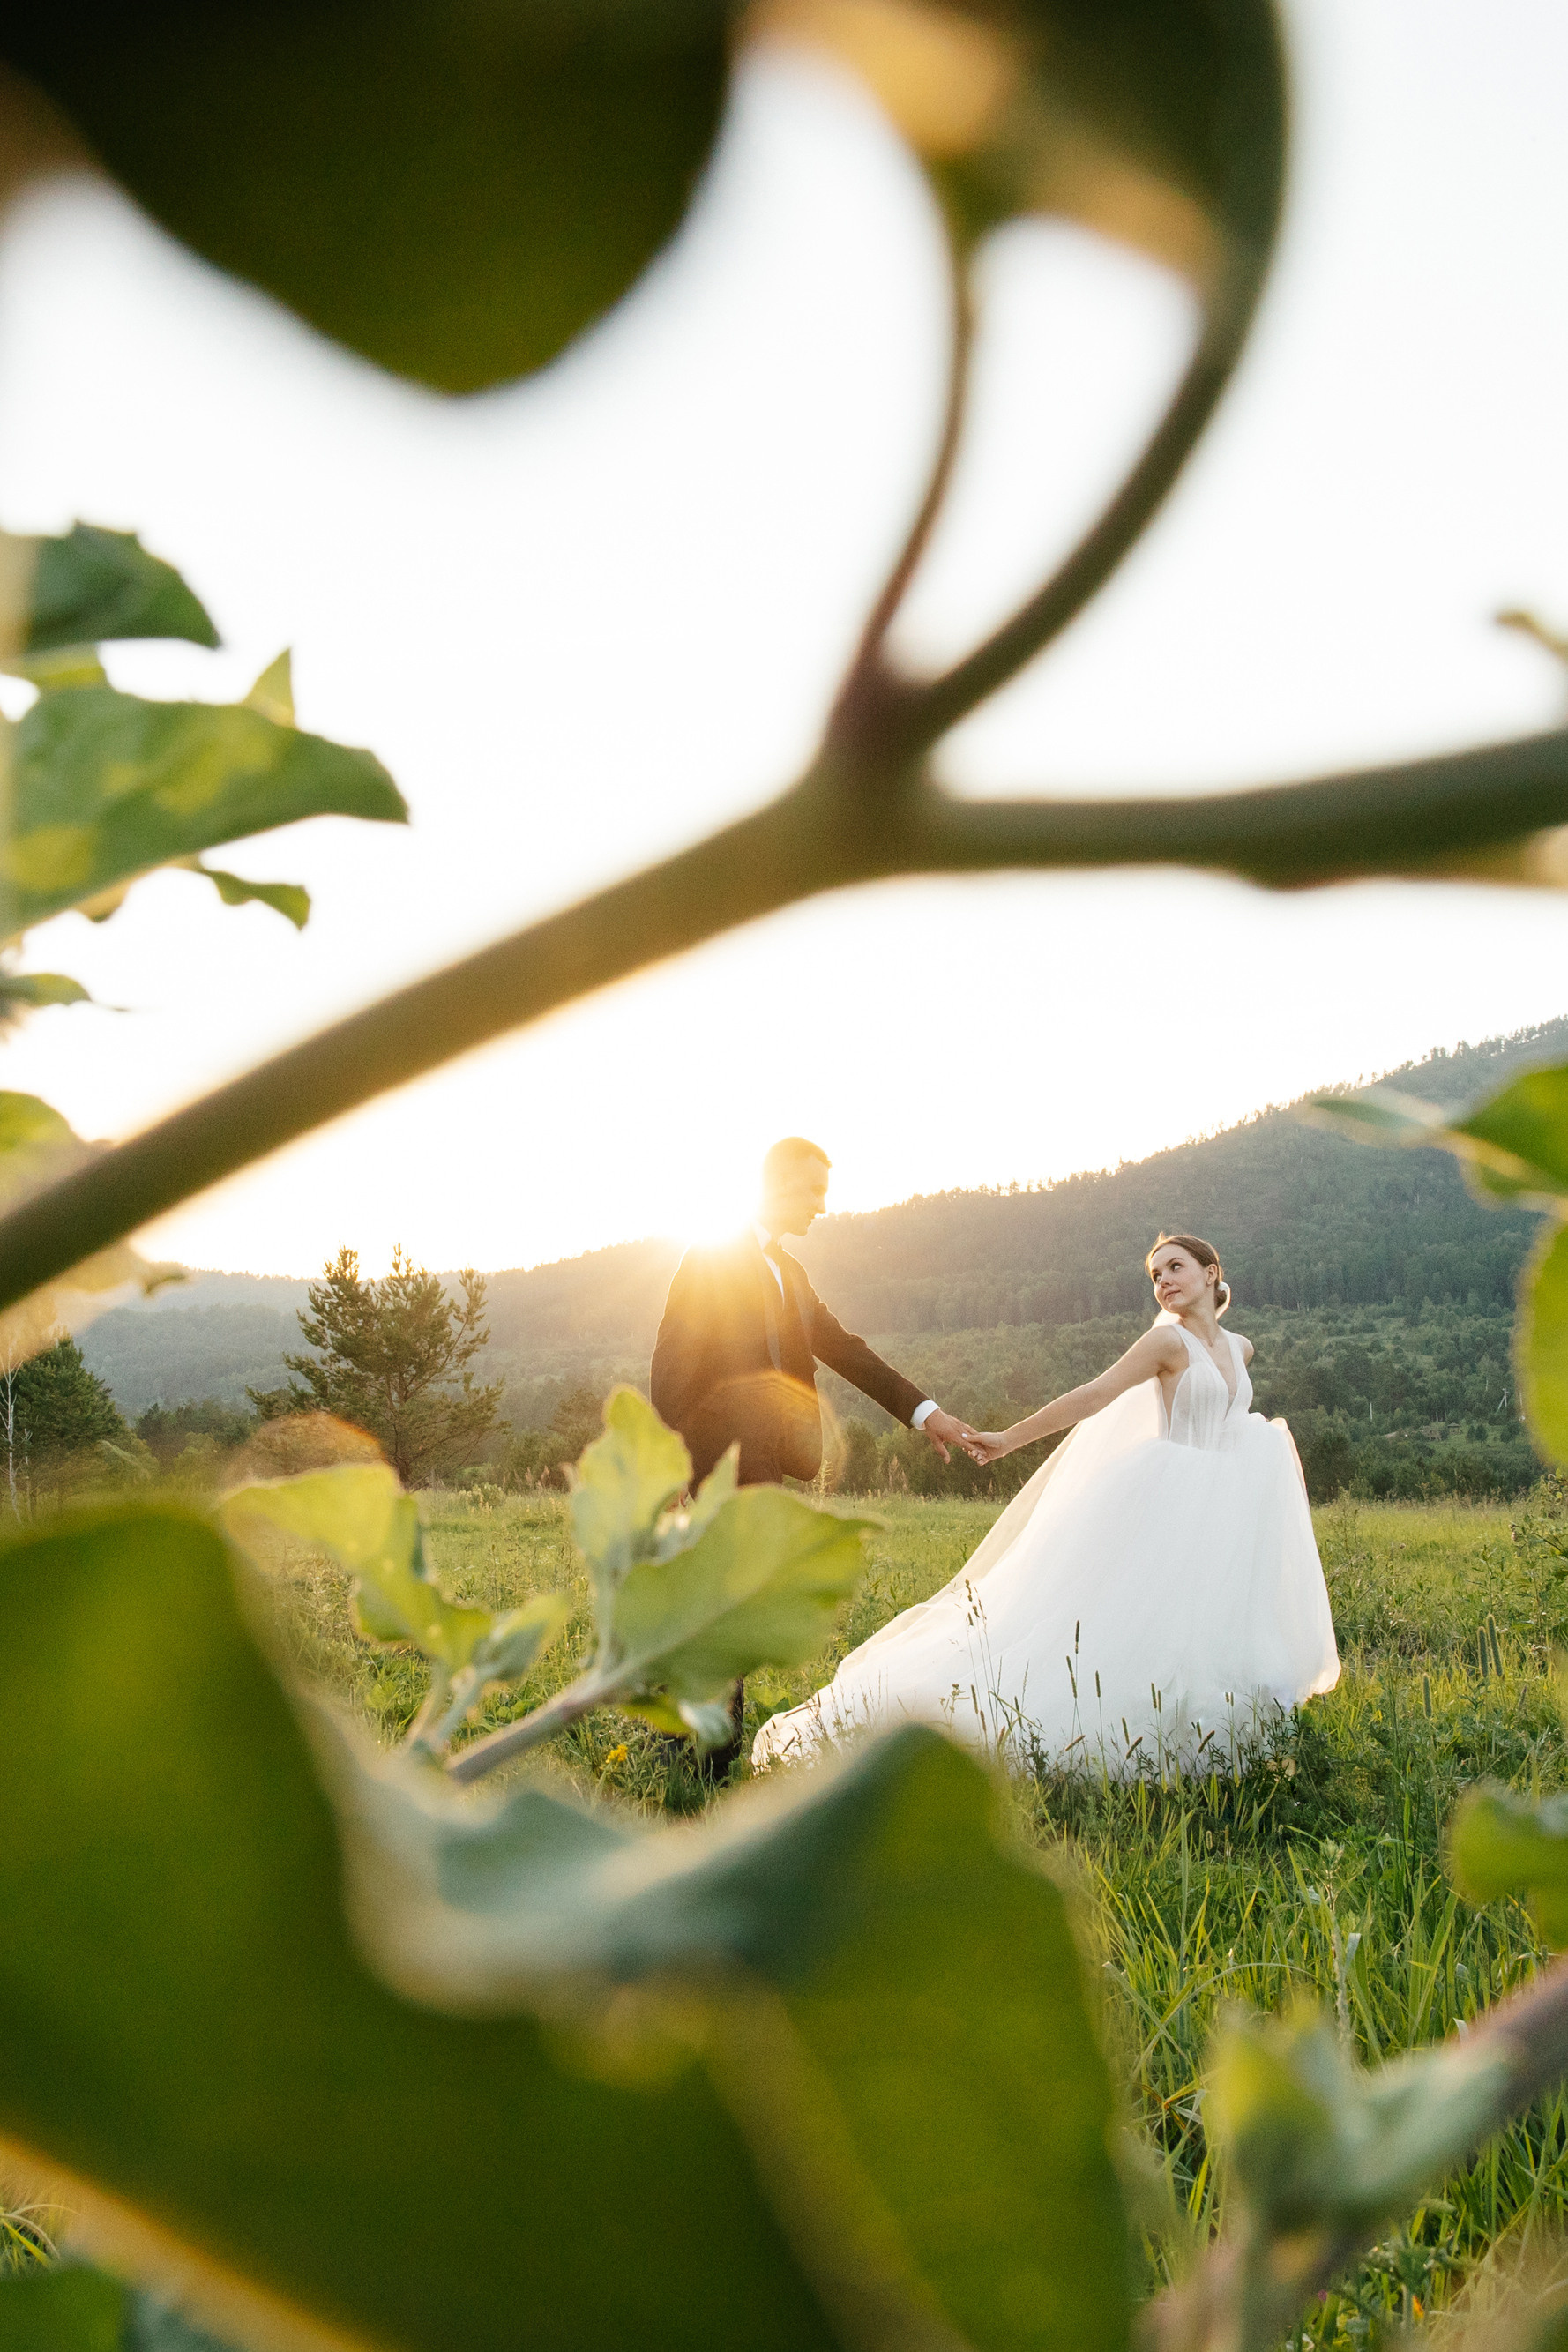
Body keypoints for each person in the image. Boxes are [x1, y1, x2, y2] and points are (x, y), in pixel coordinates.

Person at [751, 1233, 1340, 1776]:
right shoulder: (1166, 1342)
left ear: (1212, 1272)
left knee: (1217, 1616)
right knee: (1147, 1625)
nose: (1163, 1281)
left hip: (1227, 1501)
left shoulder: (1242, 1346)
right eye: (1156, 1275)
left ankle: (1224, 1728)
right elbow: (1095, 1394)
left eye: (1175, 1268)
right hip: (1173, 1498)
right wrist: (1010, 1437)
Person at [650, 1136, 977, 1774]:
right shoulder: (708, 1258)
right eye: (813, 1191)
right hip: (714, 1461)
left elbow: (846, 1349)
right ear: (774, 1183)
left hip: (767, 1462)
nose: (822, 1207)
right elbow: (672, 1368)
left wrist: (925, 1412)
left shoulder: (792, 1274)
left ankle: (710, 1756)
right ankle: (682, 1751)